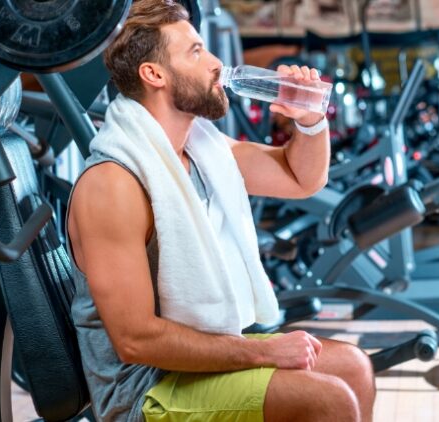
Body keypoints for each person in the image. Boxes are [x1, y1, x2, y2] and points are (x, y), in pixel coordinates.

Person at [66, 0, 376, 421]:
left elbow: (301, 178)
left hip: (199, 360)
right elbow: (135, 340)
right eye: (196, 52)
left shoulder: (200, 150)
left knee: (354, 368)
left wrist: (309, 121)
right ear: (153, 74)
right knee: (326, 399)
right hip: (144, 388)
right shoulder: (113, 185)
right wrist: (261, 351)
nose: (216, 64)